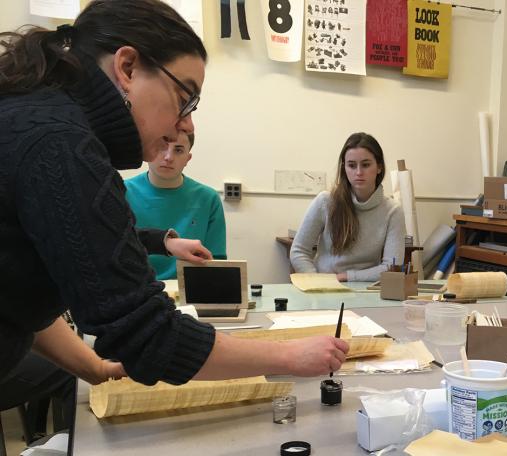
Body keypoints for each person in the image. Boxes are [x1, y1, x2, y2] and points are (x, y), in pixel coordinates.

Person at [0, 0, 348, 388]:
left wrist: (94, 368)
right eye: (186, 97)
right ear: (127, 68)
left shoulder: (41, 117)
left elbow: (26, 292)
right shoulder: (61, 144)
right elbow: (150, 335)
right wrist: (291, 355)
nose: (185, 122)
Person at [290, 132, 406, 282]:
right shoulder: (325, 201)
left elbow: (392, 267)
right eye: (351, 165)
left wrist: (346, 277)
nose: (358, 172)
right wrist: (317, 281)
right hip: (324, 289)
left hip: (367, 290)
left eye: (365, 165)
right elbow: (299, 251)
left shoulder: (393, 211)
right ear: (344, 168)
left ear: (379, 167)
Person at [126, 131, 227, 279]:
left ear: (188, 158)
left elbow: (215, 262)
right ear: (147, 151)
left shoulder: (208, 199)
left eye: (178, 150)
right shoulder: (121, 192)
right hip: (135, 290)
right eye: (161, 147)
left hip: (190, 292)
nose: (168, 157)